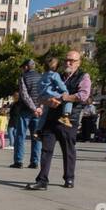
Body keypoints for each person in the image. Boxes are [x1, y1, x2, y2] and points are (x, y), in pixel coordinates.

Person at [26, 51, 89, 191]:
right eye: (66, 60)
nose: (68, 63)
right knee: (46, 149)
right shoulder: (56, 75)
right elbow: (42, 96)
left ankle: (69, 177)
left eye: (72, 60)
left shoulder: (83, 76)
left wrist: (64, 98)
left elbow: (83, 95)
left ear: (79, 62)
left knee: (68, 150)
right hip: (51, 118)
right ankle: (42, 180)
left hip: (69, 119)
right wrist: (49, 101)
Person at [14, 59, 43, 168]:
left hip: (25, 111)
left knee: (20, 136)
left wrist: (33, 108)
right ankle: (35, 162)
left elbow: (24, 95)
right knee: (36, 136)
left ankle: (19, 161)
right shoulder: (41, 77)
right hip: (38, 112)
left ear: (26, 67)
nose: (22, 69)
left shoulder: (23, 77)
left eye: (22, 67)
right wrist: (39, 107)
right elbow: (43, 94)